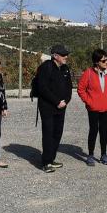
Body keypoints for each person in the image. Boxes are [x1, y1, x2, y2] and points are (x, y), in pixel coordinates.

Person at [76, 49, 107, 166]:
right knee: (93, 131)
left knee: (104, 131)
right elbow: (81, 89)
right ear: (96, 62)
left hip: (106, 108)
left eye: (106, 59)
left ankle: (104, 155)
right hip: (93, 109)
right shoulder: (88, 73)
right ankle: (90, 155)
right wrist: (89, 102)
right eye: (103, 60)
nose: (106, 62)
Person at [34, 44, 73, 172]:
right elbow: (42, 88)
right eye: (63, 55)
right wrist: (57, 101)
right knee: (48, 134)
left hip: (61, 107)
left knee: (58, 133)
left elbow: (69, 87)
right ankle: (46, 162)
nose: (66, 56)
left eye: (66, 54)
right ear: (55, 56)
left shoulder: (65, 68)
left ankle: (51, 158)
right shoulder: (45, 67)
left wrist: (65, 101)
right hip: (48, 107)